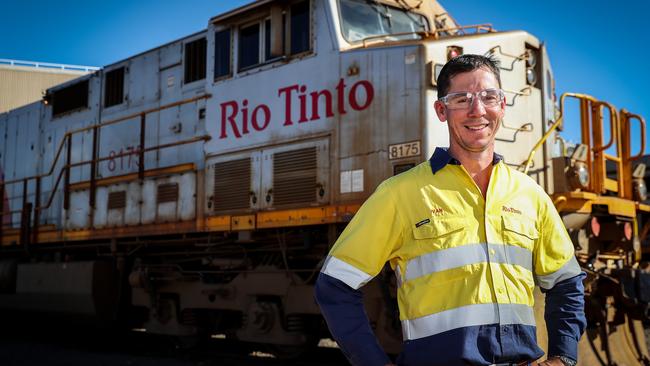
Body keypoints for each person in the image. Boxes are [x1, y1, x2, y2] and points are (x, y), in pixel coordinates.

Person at [314, 54, 586, 366]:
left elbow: (566, 282)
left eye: (488, 97)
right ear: (442, 110)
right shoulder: (399, 194)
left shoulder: (531, 195)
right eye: (461, 99)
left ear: (502, 106)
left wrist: (563, 357)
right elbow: (335, 284)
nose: (478, 110)